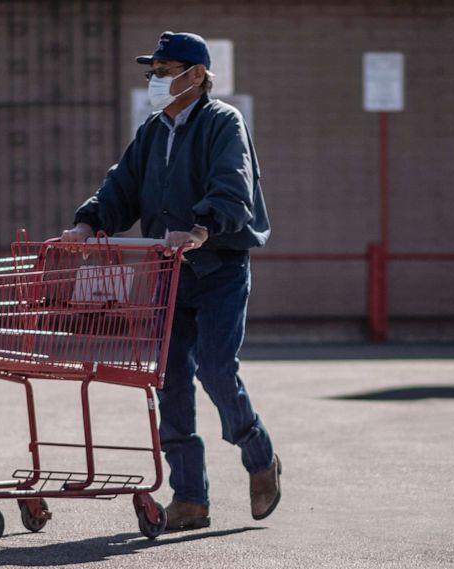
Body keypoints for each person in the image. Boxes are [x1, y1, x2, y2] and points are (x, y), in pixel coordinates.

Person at [59, 31, 281, 531]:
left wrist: (202, 226)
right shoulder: (154, 131)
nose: (157, 79)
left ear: (196, 75)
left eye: (166, 70)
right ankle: (190, 497)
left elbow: (233, 186)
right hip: (167, 272)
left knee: (217, 371)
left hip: (218, 267)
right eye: (153, 72)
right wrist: (89, 222)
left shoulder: (224, 123)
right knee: (171, 381)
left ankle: (258, 453)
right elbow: (121, 185)